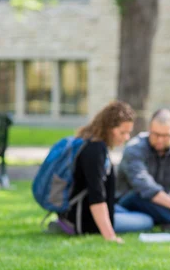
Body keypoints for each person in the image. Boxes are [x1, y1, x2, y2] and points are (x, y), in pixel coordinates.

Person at [59, 101, 154, 242]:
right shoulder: (94, 150)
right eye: (123, 132)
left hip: (78, 212)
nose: (127, 137)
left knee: (137, 211)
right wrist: (110, 236)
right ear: (109, 128)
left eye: (128, 132)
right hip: (84, 220)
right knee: (147, 220)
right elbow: (96, 196)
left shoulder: (91, 142)